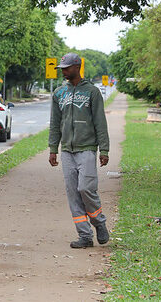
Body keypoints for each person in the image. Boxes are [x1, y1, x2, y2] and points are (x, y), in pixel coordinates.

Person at [49, 52, 110, 249]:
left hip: (87, 149)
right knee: (73, 194)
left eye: (67, 68)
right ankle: (84, 235)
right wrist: (53, 149)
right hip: (67, 150)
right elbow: (55, 123)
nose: (64, 72)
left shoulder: (92, 92)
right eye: (62, 68)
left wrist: (104, 149)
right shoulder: (59, 93)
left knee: (85, 189)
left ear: (77, 67)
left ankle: (99, 223)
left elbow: (100, 122)